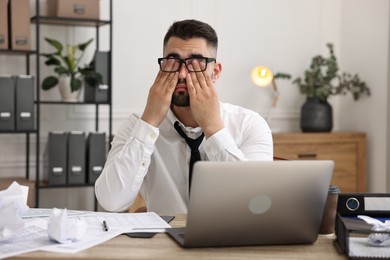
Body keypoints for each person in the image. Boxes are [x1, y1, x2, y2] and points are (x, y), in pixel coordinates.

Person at [95, 19, 273, 214]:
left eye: (195, 63)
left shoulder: (250, 125)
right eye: (173, 61)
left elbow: (257, 204)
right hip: (163, 241)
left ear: (215, 72)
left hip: (230, 240)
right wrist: (149, 122)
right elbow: (111, 201)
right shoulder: (136, 125)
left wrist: (213, 127)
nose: (181, 73)